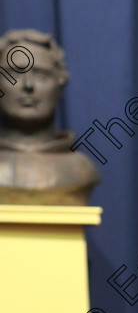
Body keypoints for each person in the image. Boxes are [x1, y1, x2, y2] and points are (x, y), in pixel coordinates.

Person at [0, 29, 99, 203]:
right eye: (15, 74)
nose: (28, 85)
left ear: (60, 85)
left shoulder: (80, 170)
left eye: (41, 75)